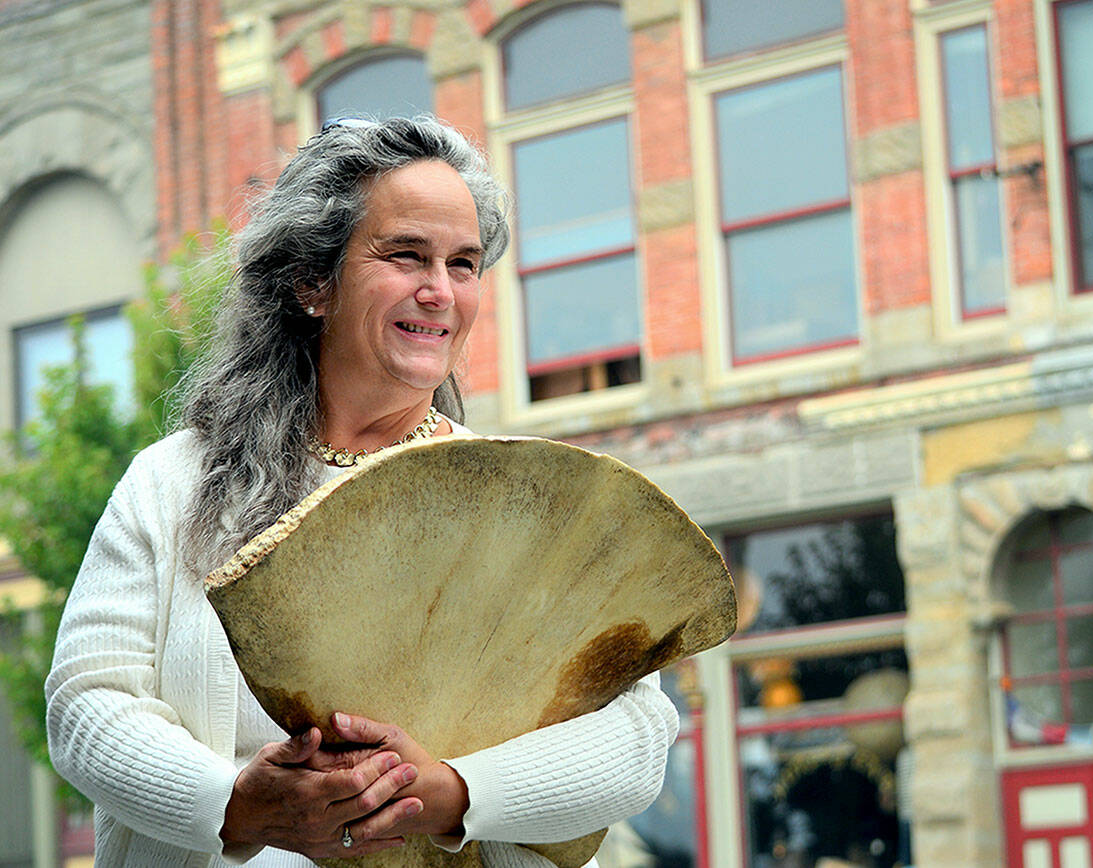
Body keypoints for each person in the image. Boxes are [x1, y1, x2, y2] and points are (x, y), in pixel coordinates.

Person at [44, 116, 678, 867]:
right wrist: (238, 807)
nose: (440, 292)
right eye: (406, 255)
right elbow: (86, 703)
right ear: (312, 279)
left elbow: (638, 737)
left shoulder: (531, 501)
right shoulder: (171, 483)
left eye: (464, 263)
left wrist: (448, 792)